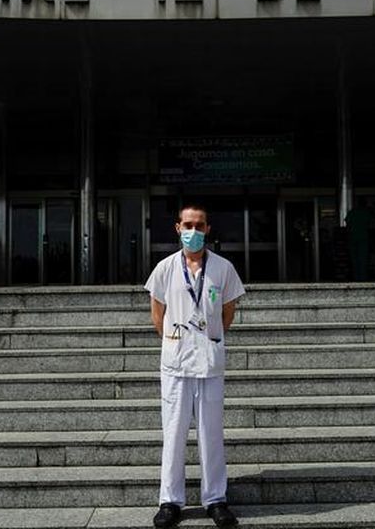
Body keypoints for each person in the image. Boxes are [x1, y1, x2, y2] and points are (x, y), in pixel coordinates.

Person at [144, 204, 244, 528]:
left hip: (210, 363)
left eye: (199, 225)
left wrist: (208, 338)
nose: (194, 231)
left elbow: (228, 313)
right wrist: (177, 341)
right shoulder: (164, 268)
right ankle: (170, 501)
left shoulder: (223, 268)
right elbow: (157, 315)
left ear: (208, 229)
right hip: (175, 363)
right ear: (177, 228)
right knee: (172, 433)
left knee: (211, 434)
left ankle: (215, 499)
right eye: (188, 224)